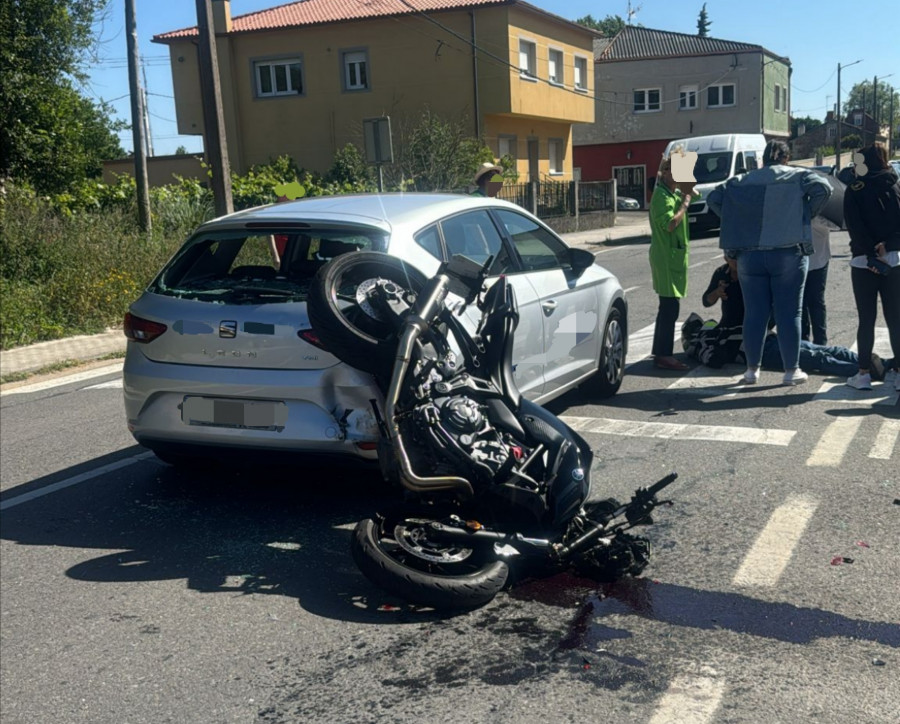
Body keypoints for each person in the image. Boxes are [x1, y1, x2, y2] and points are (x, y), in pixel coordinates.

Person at [707, 140, 832, 386]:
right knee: (789, 313)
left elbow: (714, 198)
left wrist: (737, 219)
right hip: (788, 251)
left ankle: (752, 370)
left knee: (754, 313)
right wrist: (805, 213)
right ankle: (791, 370)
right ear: (786, 158)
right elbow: (824, 189)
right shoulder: (797, 176)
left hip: (749, 254)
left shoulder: (742, 180)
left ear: (763, 159)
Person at [683, 258, 893, 379]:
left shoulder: (753, 276)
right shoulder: (722, 274)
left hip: (764, 336)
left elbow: (772, 313)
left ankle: (883, 363)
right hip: (744, 341)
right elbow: (706, 301)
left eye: (737, 259)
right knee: (815, 358)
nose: (734, 264)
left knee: (820, 350)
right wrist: (716, 293)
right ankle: (866, 370)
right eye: (730, 259)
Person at [843, 142, 900, 391]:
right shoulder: (895, 185)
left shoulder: (854, 189)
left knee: (866, 319)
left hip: (863, 261)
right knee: (895, 319)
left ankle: (864, 374)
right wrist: (886, 245)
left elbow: (854, 226)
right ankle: (899, 373)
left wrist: (869, 252)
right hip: (895, 259)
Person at [648, 149, 695, 370]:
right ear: (667, 172)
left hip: (673, 257)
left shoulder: (672, 193)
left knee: (668, 306)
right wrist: (684, 205)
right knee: (669, 307)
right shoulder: (661, 196)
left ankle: (661, 352)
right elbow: (668, 224)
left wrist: (686, 188)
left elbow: (696, 194)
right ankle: (663, 354)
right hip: (666, 258)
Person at [802, 216, 832, 345]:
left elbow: (836, 224)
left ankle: (821, 341)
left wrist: (816, 219)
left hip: (818, 259)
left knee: (816, 302)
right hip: (796, 259)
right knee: (800, 303)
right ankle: (802, 340)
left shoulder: (824, 210)